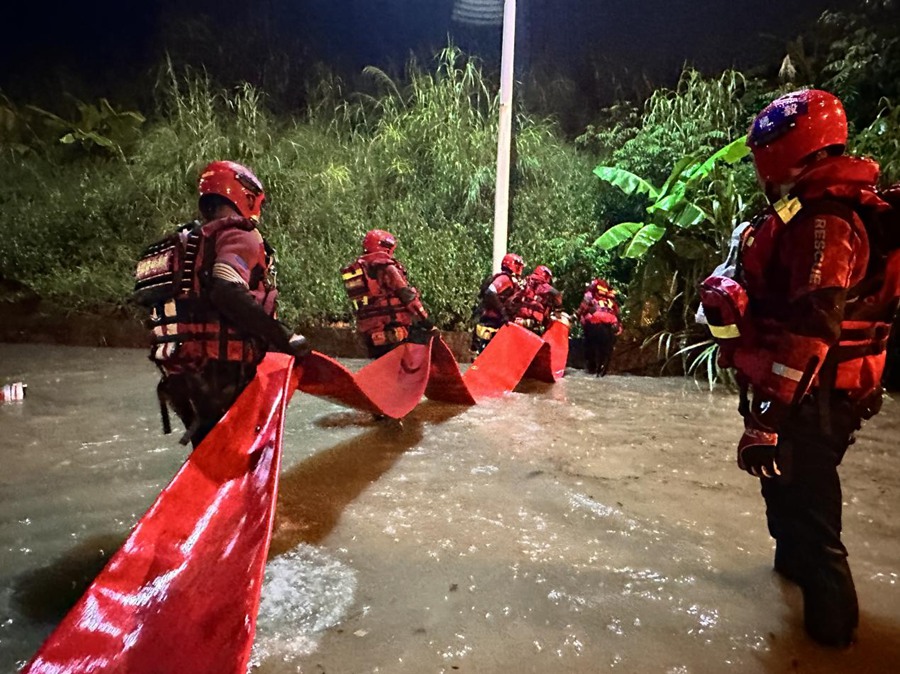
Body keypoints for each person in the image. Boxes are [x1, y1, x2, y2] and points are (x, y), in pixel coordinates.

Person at [699, 89, 900, 648]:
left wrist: (769, 416)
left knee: (814, 520)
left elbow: (815, 329)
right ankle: (790, 592)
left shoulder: (827, 222)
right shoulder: (810, 209)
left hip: (812, 396)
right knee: (784, 497)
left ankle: (830, 636)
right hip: (810, 392)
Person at [134, 160, 309, 447]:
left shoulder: (189, 243)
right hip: (223, 372)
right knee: (237, 456)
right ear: (247, 197)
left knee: (208, 454)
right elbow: (226, 289)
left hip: (182, 373)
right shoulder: (241, 235)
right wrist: (284, 336)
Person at [341, 229, 432, 359]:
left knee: (382, 366)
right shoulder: (386, 266)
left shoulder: (357, 270)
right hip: (392, 329)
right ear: (386, 246)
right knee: (421, 346)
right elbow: (406, 294)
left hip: (371, 332)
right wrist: (427, 321)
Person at [471, 252, 524, 354]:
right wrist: (503, 312)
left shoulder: (510, 280)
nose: (519, 268)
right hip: (494, 320)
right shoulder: (505, 278)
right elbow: (490, 292)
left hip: (494, 320)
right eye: (517, 265)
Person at [576, 278, 622, 376]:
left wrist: (576, 316)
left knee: (590, 347)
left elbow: (582, 307)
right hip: (610, 325)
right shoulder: (610, 298)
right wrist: (619, 325)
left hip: (593, 324)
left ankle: (591, 368)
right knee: (605, 351)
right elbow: (617, 312)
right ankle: (602, 370)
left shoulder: (590, 295)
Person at [511, 265, 563, 334]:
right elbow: (556, 294)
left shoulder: (526, 280)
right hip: (530, 320)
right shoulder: (540, 283)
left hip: (517, 315)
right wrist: (558, 310)